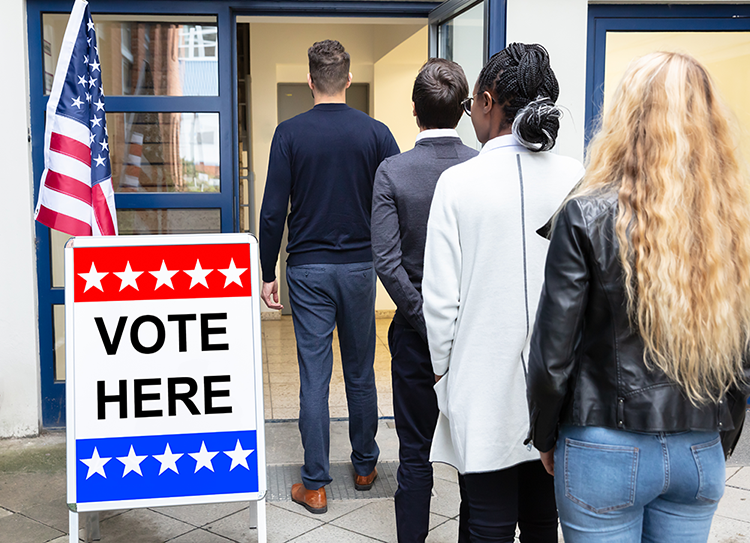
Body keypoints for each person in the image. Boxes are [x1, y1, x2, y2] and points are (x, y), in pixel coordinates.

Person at [526, 51, 750, 542]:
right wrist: (719, 437)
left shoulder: (584, 214)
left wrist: (544, 436)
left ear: (625, 119)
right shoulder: (732, 227)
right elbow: (742, 359)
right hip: (699, 451)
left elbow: (551, 357)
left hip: (602, 446)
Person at [422, 43, 584, 542]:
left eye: (472, 104)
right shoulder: (579, 177)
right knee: (542, 523)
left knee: (486, 525)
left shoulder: (457, 183)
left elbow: (440, 303)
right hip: (561, 390)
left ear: (488, 101)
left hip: (480, 383)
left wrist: (445, 373)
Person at [259, 39, 399, 514]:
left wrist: (266, 271)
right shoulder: (377, 134)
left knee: (314, 377)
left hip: (307, 269)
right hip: (362, 268)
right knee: (361, 372)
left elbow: (273, 211)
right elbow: (397, 202)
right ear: (349, 79)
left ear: (310, 81)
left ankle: (315, 484)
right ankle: (364, 466)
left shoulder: (289, 133)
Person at [372, 58, 478, 543]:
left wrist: (427, 322)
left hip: (416, 339)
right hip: (476, 336)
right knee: (476, 455)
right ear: (464, 109)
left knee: (414, 451)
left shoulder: (393, 171)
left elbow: (387, 263)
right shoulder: (481, 166)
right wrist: (455, 323)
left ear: (415, 110)